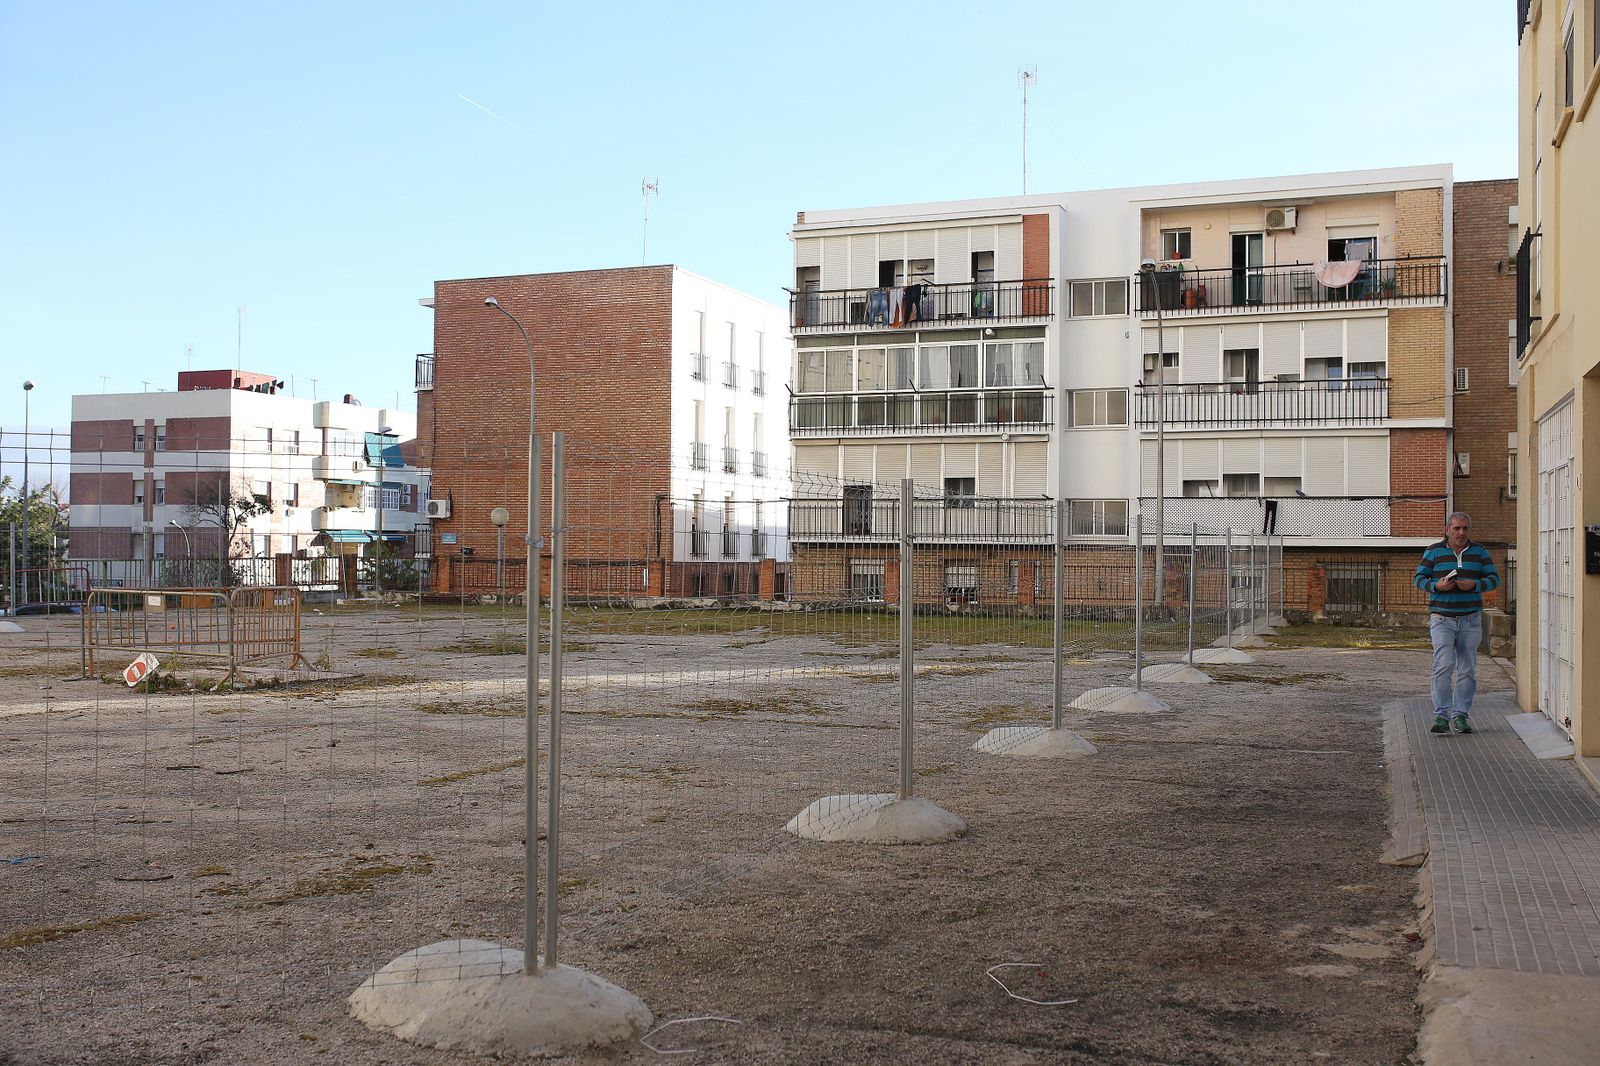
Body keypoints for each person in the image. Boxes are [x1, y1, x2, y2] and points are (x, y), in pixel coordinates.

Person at [1413, 512, 1500, 736]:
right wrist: (1437, 586)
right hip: (1442, 619)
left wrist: (1475, 585)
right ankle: (1442, 715)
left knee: (1467, 669)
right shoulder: (1434, 551)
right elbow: (1419, 579)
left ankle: (1461, 715)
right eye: (1456, 528)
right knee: (1443, 665)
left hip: (1470, 619)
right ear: (1447, 530)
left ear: (1469, 530)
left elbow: (1494, 579)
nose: (1461, 532)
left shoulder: (1480, 551)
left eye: (1465, 528)